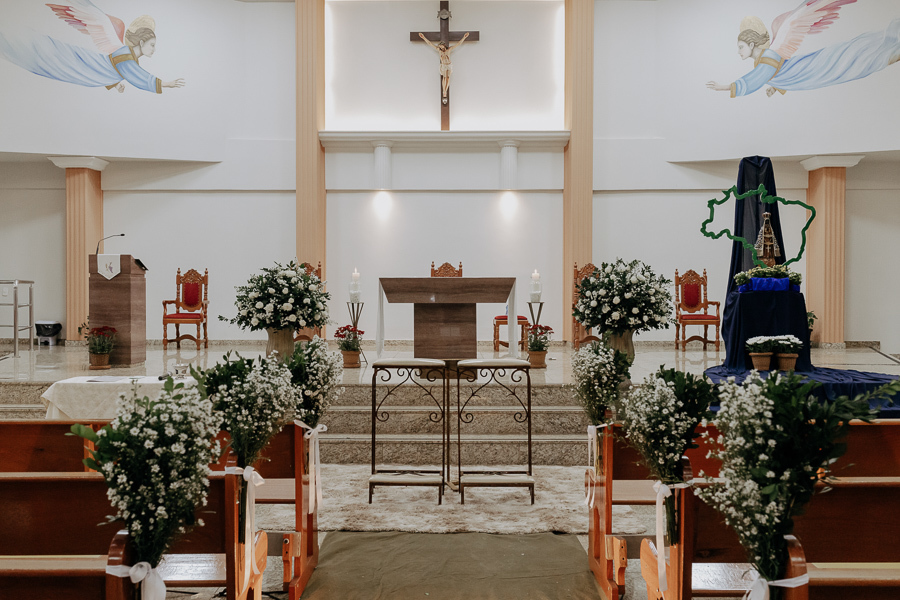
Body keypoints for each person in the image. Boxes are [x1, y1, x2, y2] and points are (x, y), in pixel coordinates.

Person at [707, 8, 900, 98]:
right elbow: (780, 72)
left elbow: (753, 80)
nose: (738, 52)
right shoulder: (763, 62)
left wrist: (723, 87)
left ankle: (889, 49)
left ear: (751, 43)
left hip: (814, 68)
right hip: (809, 76)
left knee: (850, 60)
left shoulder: (768, 57)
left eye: (741, 46)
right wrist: (774, 87)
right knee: (850, 64)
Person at [0, 5, 184, 94]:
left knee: (53, 61)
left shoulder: (129, 59)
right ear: (142, 42)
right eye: (152, 44)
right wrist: (165, 84)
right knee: (50, 57)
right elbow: (137, 75)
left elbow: (120, 71)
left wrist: (116, 82)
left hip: (92, 71)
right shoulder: (127, 57)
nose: (154, 50)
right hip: (86, 65)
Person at [418, 32, 469, 104]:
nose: (440, 47)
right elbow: (430, 44)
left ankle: (446, 89)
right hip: (444, 65)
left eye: (441, 46)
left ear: (444, 45)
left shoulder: (449, 49)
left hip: (449, 65)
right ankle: (444, 91)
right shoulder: (439, 51)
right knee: (444, 78)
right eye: (440, 46)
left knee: (448, 78)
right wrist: (423, 38)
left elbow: (458, 44)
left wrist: (464, 37)